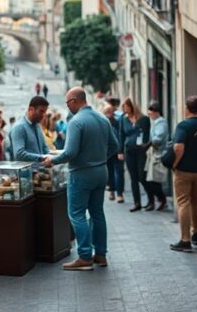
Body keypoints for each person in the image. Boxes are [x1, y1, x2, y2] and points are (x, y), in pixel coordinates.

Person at [42, 87, 119, 270]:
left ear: (75, 100)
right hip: (101, 172)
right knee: (97, 213)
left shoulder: (76, 122)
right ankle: (100, 255)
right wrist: (99, 159)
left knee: (76, 214)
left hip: (81, 173)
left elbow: (70, 152)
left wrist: (52, 160)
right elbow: (114, 146)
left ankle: (84, 256)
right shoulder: (102, 118)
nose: (67, 106)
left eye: (68, 102)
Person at [170, 95, 197, 252]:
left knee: (183, 202)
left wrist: (175, 163)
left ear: (187, 108)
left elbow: (178, 147)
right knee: (196, 201)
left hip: (184, 170)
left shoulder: (183, 126)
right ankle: (196, 235)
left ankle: (185, 240)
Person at [119, 98, 151, 212]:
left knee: (142, 177)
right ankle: (137, 202)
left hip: (141, 152)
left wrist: (146, 146)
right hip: (129, 152)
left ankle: (151, 199)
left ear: (132, 106)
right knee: (133, 178)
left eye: (126, 106)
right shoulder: (123, 119)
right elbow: (121, 135)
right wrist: (120, 151)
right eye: (123, 107)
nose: (124, 109)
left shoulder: (144, 119)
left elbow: (147, 135)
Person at [143, 100, 169, 211]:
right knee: (150, 180)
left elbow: (157, 139)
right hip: (153, 154)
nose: (149, 115)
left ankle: (162, 200)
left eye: (150, 113)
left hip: (158, 155)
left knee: (154, 181)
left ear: (156, 112)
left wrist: (147, 144)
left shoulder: (161, 123)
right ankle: (157, 200)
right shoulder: (155, 122)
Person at [10, 96, 51, 161]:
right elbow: (19, 154)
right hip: (27, 170)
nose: (44, 115)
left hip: (40, 169)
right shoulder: (19, 127)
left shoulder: (37, 126)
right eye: (41, 111)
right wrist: (41, 158)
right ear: (31, 109)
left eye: (45, 112)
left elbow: (44, 148)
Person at [102, 101, 125, 203]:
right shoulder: (102, 122)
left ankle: (119, 193)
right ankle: (111, 191)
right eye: (107, 112)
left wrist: (121, 150)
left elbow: (121, 135)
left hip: (117, 150)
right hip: (107, 151)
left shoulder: (118, 121)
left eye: (110, 111)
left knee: (119, 172)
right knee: (109, 171)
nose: (109, 113)